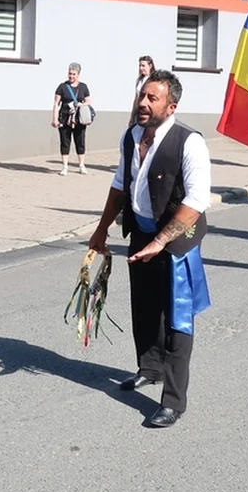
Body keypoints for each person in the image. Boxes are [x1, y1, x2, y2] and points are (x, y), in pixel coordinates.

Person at [88, 69, 212, 429]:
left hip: (175, 242)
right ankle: (150, 368)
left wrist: (162, 241)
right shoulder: (131, 136)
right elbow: (119, 184)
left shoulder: (189, 141)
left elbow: (197, 200)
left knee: (176, 320)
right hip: (141, 235)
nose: (142, 103)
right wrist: (101, 230)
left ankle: (173, 401)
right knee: (143, 307)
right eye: (142, 96)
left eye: (151, 98)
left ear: (171, 106)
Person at [52, 63, 94, 175]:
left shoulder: (83, 87)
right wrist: (55, 119)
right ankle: (65, 166)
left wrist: (81, 104)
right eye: (70, 73)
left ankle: (81, 165)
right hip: (65, 119)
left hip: (79, 119)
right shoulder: (62, 87)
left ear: (78, 74)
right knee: (65, 142)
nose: (71, 76)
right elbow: (56, 103)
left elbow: (88, 101)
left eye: (74, 74)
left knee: (80, 142)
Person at [130, 56, 156, 125]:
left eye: (143, 66)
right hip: (138, 111)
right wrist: (132, 115)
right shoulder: (140, 80)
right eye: (140, 66)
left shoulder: (153, 80)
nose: (141, 68)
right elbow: (136, 98)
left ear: (150, 66)